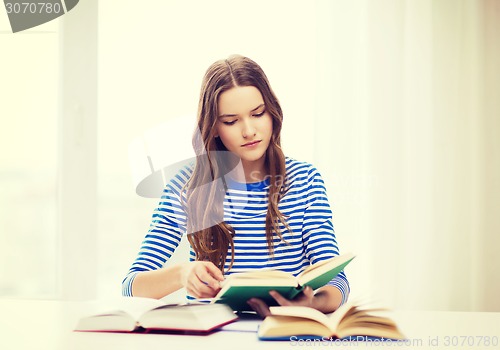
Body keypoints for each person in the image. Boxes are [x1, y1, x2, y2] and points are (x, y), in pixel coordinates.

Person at [122, 55, 349, 316]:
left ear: (273, 113)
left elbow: (337, 281)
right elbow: (131, 286)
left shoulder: (306, 180)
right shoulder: (184, 188)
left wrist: (312, 303)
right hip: (212, 337)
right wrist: (183, 274)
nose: (249, 130)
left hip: (283, 332)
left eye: (258, 114)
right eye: (231, 121)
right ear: (214, 127)